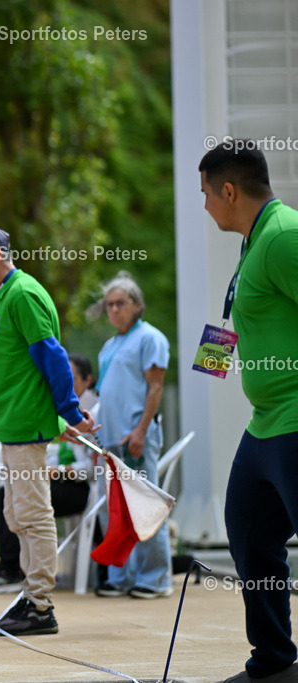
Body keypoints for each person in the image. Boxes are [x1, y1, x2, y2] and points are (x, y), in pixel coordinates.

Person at [0, 225, 96, 637]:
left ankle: (40, 605)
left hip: (26, 429)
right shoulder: (1, 298)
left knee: (33, 515)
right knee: (17, 514)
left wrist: (70, 412)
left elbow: (54, 358)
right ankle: (31, 596)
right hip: (16, 429)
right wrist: (63, 420)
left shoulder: (23, 294)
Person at [199, 142, 298, 683]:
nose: (206, 205)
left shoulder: (283, 236)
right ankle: (274, 661)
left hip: (295, 419)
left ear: (229, 191)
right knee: (248, 531)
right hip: (264, 423)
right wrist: (211, 359)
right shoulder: (253, 241)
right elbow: (242, 310)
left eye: (206, 195)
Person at [0, 353, 101, 593]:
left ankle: (33, 590)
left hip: (85, 489)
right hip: (62, 476)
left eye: (71, 378)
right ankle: (15, 572)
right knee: (10, 499)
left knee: (32, 511)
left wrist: (58, 471)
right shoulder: (68, 410)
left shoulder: (89, 413)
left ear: (88, 380)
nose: (65, 384)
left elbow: (93, 469)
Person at [89, 272, 173, 600]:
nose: (113, 310)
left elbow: (155, 387)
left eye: (120, 303)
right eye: (109, 305)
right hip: (109, 440)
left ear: (137, 305)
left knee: (145, 506)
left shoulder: (151, 338)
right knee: (113, 509)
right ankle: (120, 576)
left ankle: (155, 579)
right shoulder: (110, 344)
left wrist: (140, 430)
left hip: (135, 436)